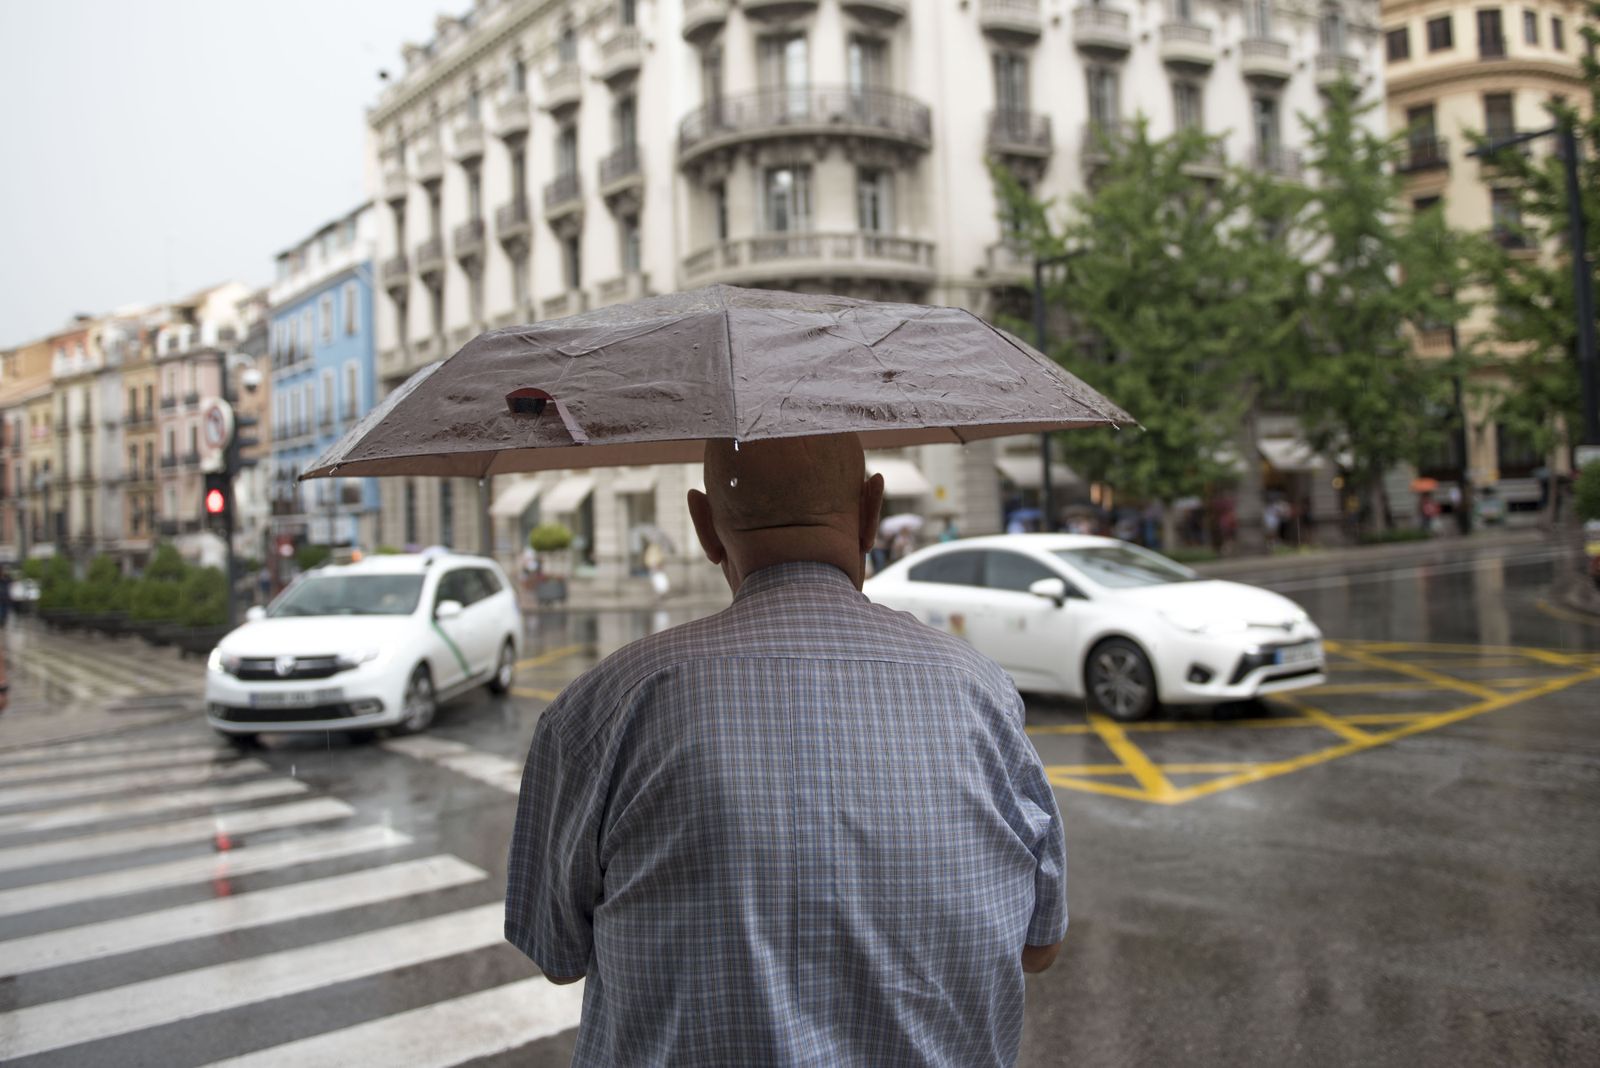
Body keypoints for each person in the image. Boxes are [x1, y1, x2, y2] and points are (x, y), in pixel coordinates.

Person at [506, 434, 1068, 1066]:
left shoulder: (602, 709)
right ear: (871, 511)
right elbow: (1039, 946)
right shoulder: (981, 692)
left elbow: (556, 954)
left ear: (703, 525)